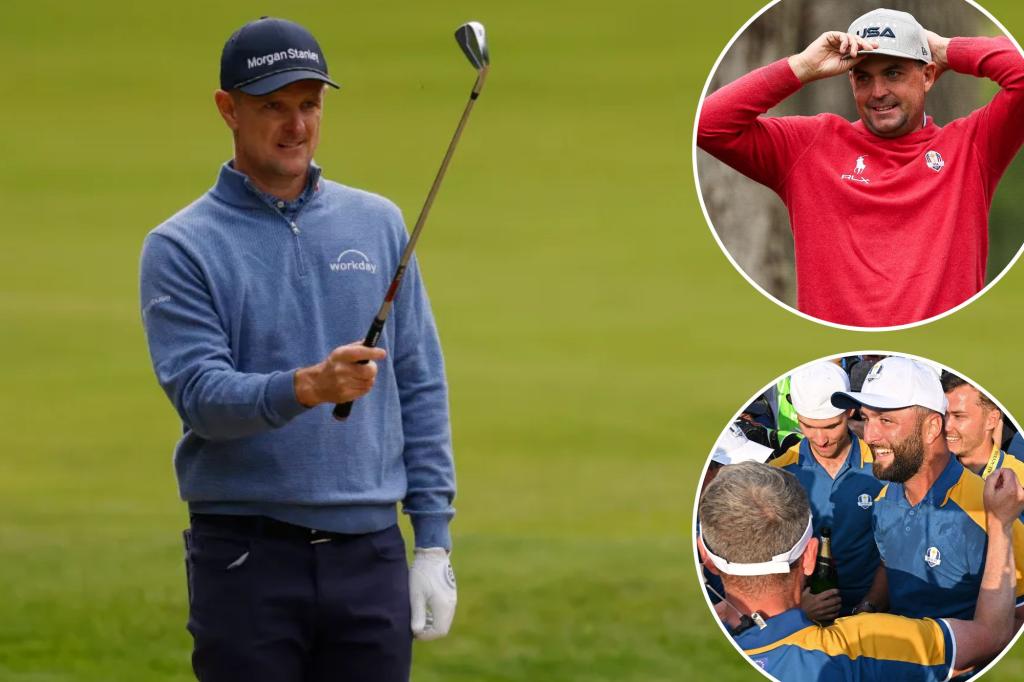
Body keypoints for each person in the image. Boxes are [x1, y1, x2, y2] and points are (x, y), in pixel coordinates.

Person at [139, 17, 456, 682]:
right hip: (245, 557)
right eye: (272, 106)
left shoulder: (377, 222)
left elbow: (419, 380)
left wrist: (432, 540)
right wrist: (308, 387)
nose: (296, 126)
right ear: (228, 109)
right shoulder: (180, 246)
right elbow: (201, 398)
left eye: (309, 104)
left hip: (369, 554)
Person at [697, 8, 1024, 327]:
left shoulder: (972, 146)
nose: (878, 92)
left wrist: (944, 48)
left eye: (893, 73)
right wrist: (803, 66)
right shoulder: (808, 145)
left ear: (927, 76)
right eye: (864, 77)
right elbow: (707, 125)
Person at [697, 460, 1023, 680]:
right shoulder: (864, 641)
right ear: (810, 556)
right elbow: (991, 635)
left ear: (705, 556)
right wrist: (999, 523)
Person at [831, 357, 1024, 625]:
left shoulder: (989, 512)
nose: (870, 436)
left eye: (886, 420)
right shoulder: (884, 499)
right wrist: (868, 607)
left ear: (932, 427)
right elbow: (890, 561)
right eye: (866, 418)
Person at [770, 362, 882, 620]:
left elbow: (896, 550)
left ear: (850, 411)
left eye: (831, 426)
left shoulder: (883, 465)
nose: (820, 440)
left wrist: (870, 606)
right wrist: (798, 608)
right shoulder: (778, 474)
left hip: (874, 612)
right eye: (808, 426)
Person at [942, 371, 1024, 482]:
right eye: (943, 414)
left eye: (959, 416)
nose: (946, 426)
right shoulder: (933, 473)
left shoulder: (1019, 481)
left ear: (992, 420)